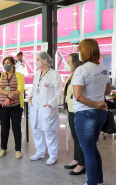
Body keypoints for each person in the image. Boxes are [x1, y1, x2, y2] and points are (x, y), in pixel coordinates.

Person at [72, 39, 111, 185]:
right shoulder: (104, 67)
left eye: (80, 49)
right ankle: (98, 181)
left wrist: (95, 104)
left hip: (85, 114)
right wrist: (99, 103)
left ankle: (92, 182)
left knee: (88, 151)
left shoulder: (81, 70)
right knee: (92, 148)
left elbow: (78, 96)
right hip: (99, 114)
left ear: (85, 51)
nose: (78, 52)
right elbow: (107, 91)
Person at [28, 52, 63, 165]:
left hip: (47, 108)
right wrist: (30, 97)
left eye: (38, 59)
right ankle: (40, 152)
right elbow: (34, 89)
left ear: (45, 60)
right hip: (36, 107)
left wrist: (50, 103)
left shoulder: (54, 74)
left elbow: (59, 93)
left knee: (49, 132)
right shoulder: (37, 74)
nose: (36, 61)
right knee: (36, 130)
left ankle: (53, 155)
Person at [0, 56, 25, 159]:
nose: (6, 65)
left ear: (13, 64)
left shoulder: (19, 75)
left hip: (16, 106)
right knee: (4, 128)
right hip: (3, 107)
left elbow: (20, 88)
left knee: (16, 127)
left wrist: (9, 97)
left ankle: (18, 149)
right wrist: (8, 93)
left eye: (8, 63)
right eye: (5, 63)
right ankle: (3, 148)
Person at [63, 53, 85, 175]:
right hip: (71, 110)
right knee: (75, 137)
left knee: (79, 137)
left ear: (75, 63)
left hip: (77, 110)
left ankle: (81, 164)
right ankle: (76, 159)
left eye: (69, 62)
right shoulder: (71, 76)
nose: (67, 64)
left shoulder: (79, 75)